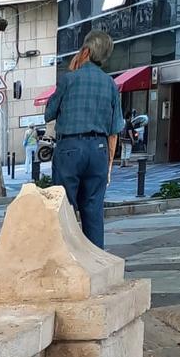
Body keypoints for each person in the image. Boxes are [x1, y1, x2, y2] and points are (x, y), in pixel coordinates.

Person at [45, 31, 124, 248]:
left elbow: (49, 112)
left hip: (70, 147)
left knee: (65, 210)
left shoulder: (69, 80)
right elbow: (114, 130)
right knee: (93, 211)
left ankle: (67, 261)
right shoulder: (110, 84)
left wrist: (71, 72)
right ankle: (95, 264)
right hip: (98, 149)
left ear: (86, 51)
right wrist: (108, 165)